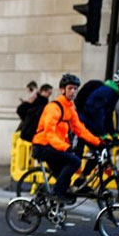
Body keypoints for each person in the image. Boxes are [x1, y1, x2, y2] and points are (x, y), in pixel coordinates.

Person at [31, 74, 102, 204]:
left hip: (54, 146)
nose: (73, 91)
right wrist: (66, 147)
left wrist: (98, 142)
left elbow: (80, 130)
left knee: (65, 178)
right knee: (75, 162)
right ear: (62, 90)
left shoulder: (70, 109)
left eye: (75, 88)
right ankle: (58, 193)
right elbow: (49, 134)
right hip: (42, 146)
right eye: (70, 88)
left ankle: (48, 202)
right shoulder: (53, 108)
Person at [72, 70, 119, 189]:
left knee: (99, 152)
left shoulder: (113, 94)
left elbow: (108, 117)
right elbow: (97, 115)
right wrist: (102, 135)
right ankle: (69, 183)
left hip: (88, 126)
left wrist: (114, 134)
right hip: (82, 126)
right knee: (87, 153)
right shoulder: (105, 92)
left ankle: (80, 180)